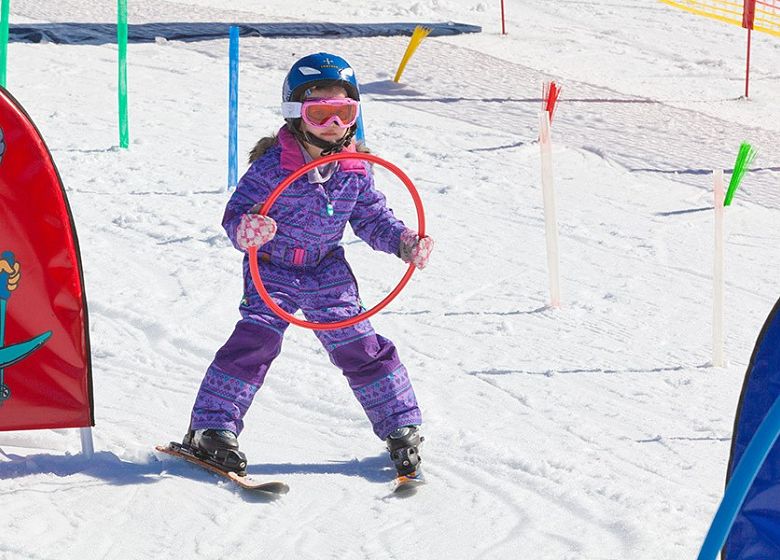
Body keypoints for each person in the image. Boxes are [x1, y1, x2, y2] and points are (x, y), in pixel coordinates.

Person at [183, 52, 434, 478]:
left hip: (326, 269)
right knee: (256, 342)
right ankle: (213, 428)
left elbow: (371, 217)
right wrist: (249, 229)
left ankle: (400, 425)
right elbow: (236, 215)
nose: (334, 126)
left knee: (358, 343)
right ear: (296, 115)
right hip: (274, 266)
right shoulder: (272, 168)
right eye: (321, 114)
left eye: (344, 113)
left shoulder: (356, 167)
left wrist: (404, 242)